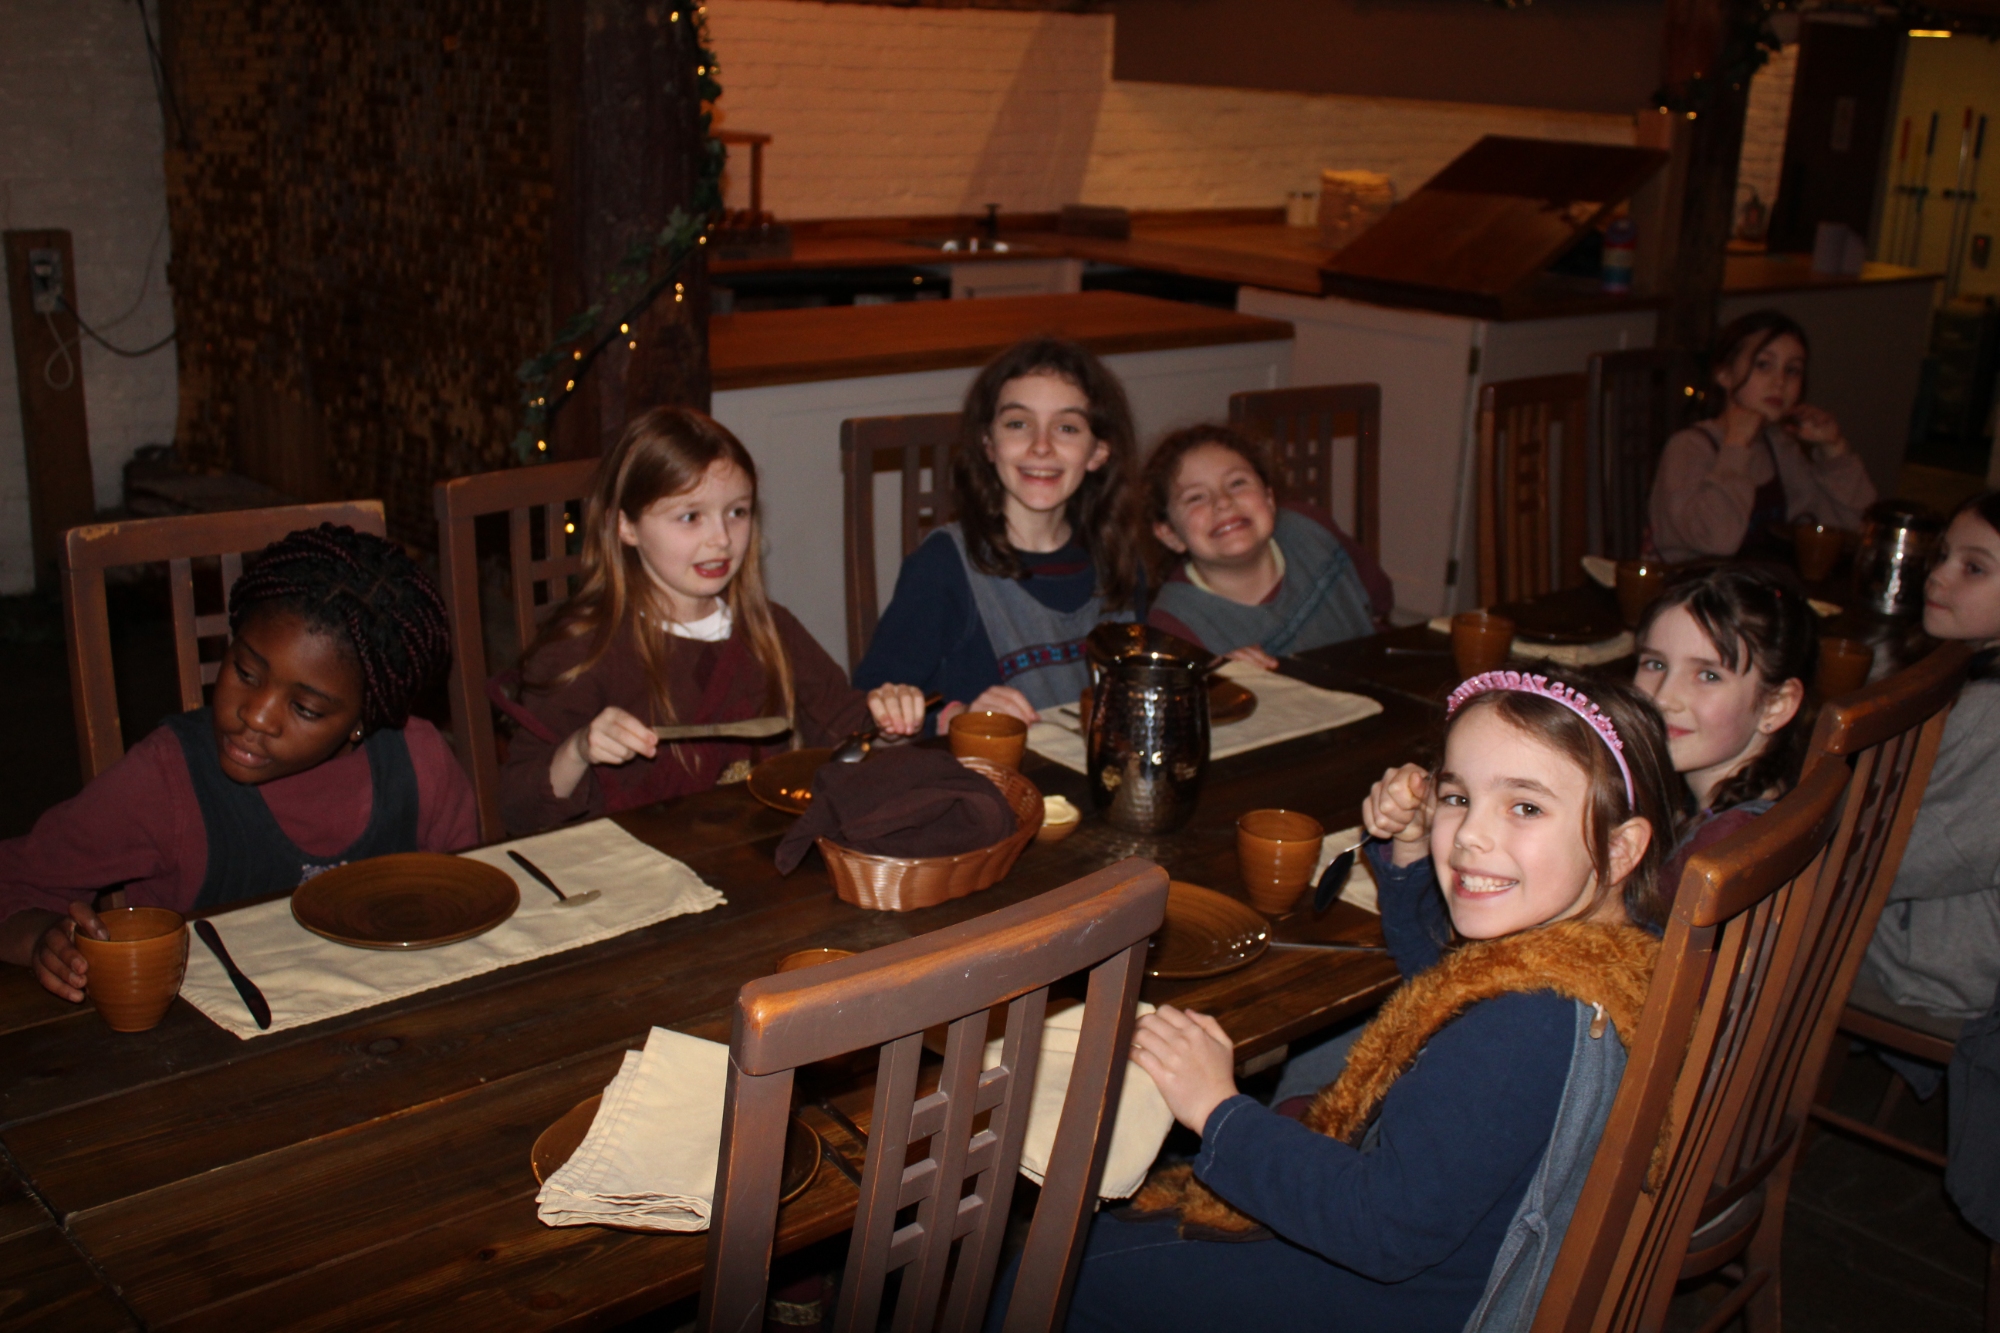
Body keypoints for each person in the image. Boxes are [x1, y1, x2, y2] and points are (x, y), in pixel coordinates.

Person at [992, 669, 1677, 1332]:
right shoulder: (1607, 963)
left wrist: (1217, 1109)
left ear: (1621, 850)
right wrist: (1410, 853)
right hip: (1472, 1266)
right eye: (1457, 796)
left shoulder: (1526, 1024)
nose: (1471, 833)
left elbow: (1381, 1229)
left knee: (1068, 1265)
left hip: (1409, 1301)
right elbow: (1444, 987)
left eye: (1525, 806)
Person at [0, 523, 476, 1002]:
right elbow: (13, 880)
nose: (256, 716)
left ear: (363, 720)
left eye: (305, 709)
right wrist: (42, 939)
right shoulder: (168, 779)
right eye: (245, 672)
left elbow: (471, 894)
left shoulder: (420, 762)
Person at [499, 406, 927, 836]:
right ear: (625, 526)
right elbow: (518, 811)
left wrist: (889, 724)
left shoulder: (769, 630)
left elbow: (848, 735)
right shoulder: (582, 650)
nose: (721, 539)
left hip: (751, 852)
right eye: (690, 517)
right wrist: (577, 750)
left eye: (737, 512)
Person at [852, 337, 1142, 726]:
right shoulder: (942, 567)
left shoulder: (1118, 559)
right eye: (1018, 424)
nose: (1041, 446)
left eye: (1067, 427)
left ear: (1098, 452)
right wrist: (960, 718)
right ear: (988, 443)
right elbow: (865, 714)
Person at [1859, 491, 2000, 1026]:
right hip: (1933, 933)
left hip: (1941, 968)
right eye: (1942, 556)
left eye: (1974, 568)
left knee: (1748, 936)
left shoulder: (1992, 716)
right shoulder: (1975, 668)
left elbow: (1898, 860)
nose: (1938, 576)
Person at [1142, 422, 1392, 667]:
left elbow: (1379, 601)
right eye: (1196, 497)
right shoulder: (1174, 625)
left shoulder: (1313, 529)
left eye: (1237, 483)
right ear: (1170, 534)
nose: (1223, 502)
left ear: (1270, 498)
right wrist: (1221, 680)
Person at [1631, 563, 1815, 892]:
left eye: (1708, 675)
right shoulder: (1773, 799)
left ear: (1776, 704)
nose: (1662, 698)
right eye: (1655, 664)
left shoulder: (1717, 854)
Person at [1648, 309, 1875, 563]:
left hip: (1763, 582)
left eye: (1792, 370)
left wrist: (1835, 451)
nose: (1779, 382)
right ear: (1725, 374)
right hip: (1694, 583)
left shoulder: (1778, 446)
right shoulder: (1689, 447)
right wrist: (1736, 446)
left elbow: (1850, 528)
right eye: (1763, 365)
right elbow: (1717, 541)